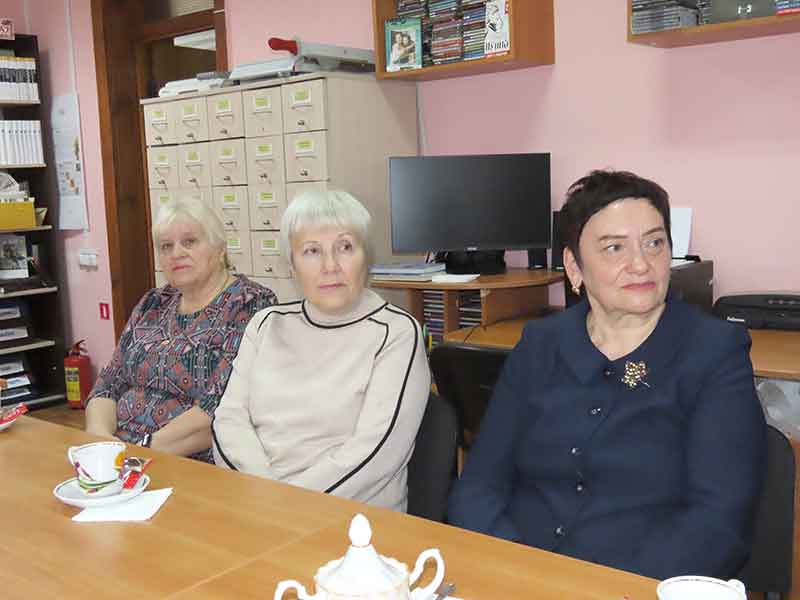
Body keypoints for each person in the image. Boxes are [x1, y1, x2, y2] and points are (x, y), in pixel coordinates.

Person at [448, 169, 766, 580]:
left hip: (640, 584)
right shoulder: (541, 344)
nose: (641, 264)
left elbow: (716, 524)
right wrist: (517, 571)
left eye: (654, 242)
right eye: (614, 248)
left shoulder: (713, 352)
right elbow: (479, 485)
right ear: (574, 267)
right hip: (518, 574)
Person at [212, 190, 430, 511]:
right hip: (258, 505)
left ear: (366, 257)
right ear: (292, 265)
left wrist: (284, 503)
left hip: (352, 519)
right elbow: (229, 420)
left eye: (345, 247)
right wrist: (262, 493)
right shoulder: (266, 324)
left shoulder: (396, 332)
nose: (330, 266)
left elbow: (377, 453)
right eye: (312, 251)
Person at [84, 197, 277, 462]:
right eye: (166, 246)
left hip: (190, 462)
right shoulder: (153, 302)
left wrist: (139, 451)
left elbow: (221, 409)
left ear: (220, 249)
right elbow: (107, 385)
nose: (176, 253)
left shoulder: (250, 303)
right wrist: (99, 439)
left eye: (190, 241)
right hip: (121, 455)